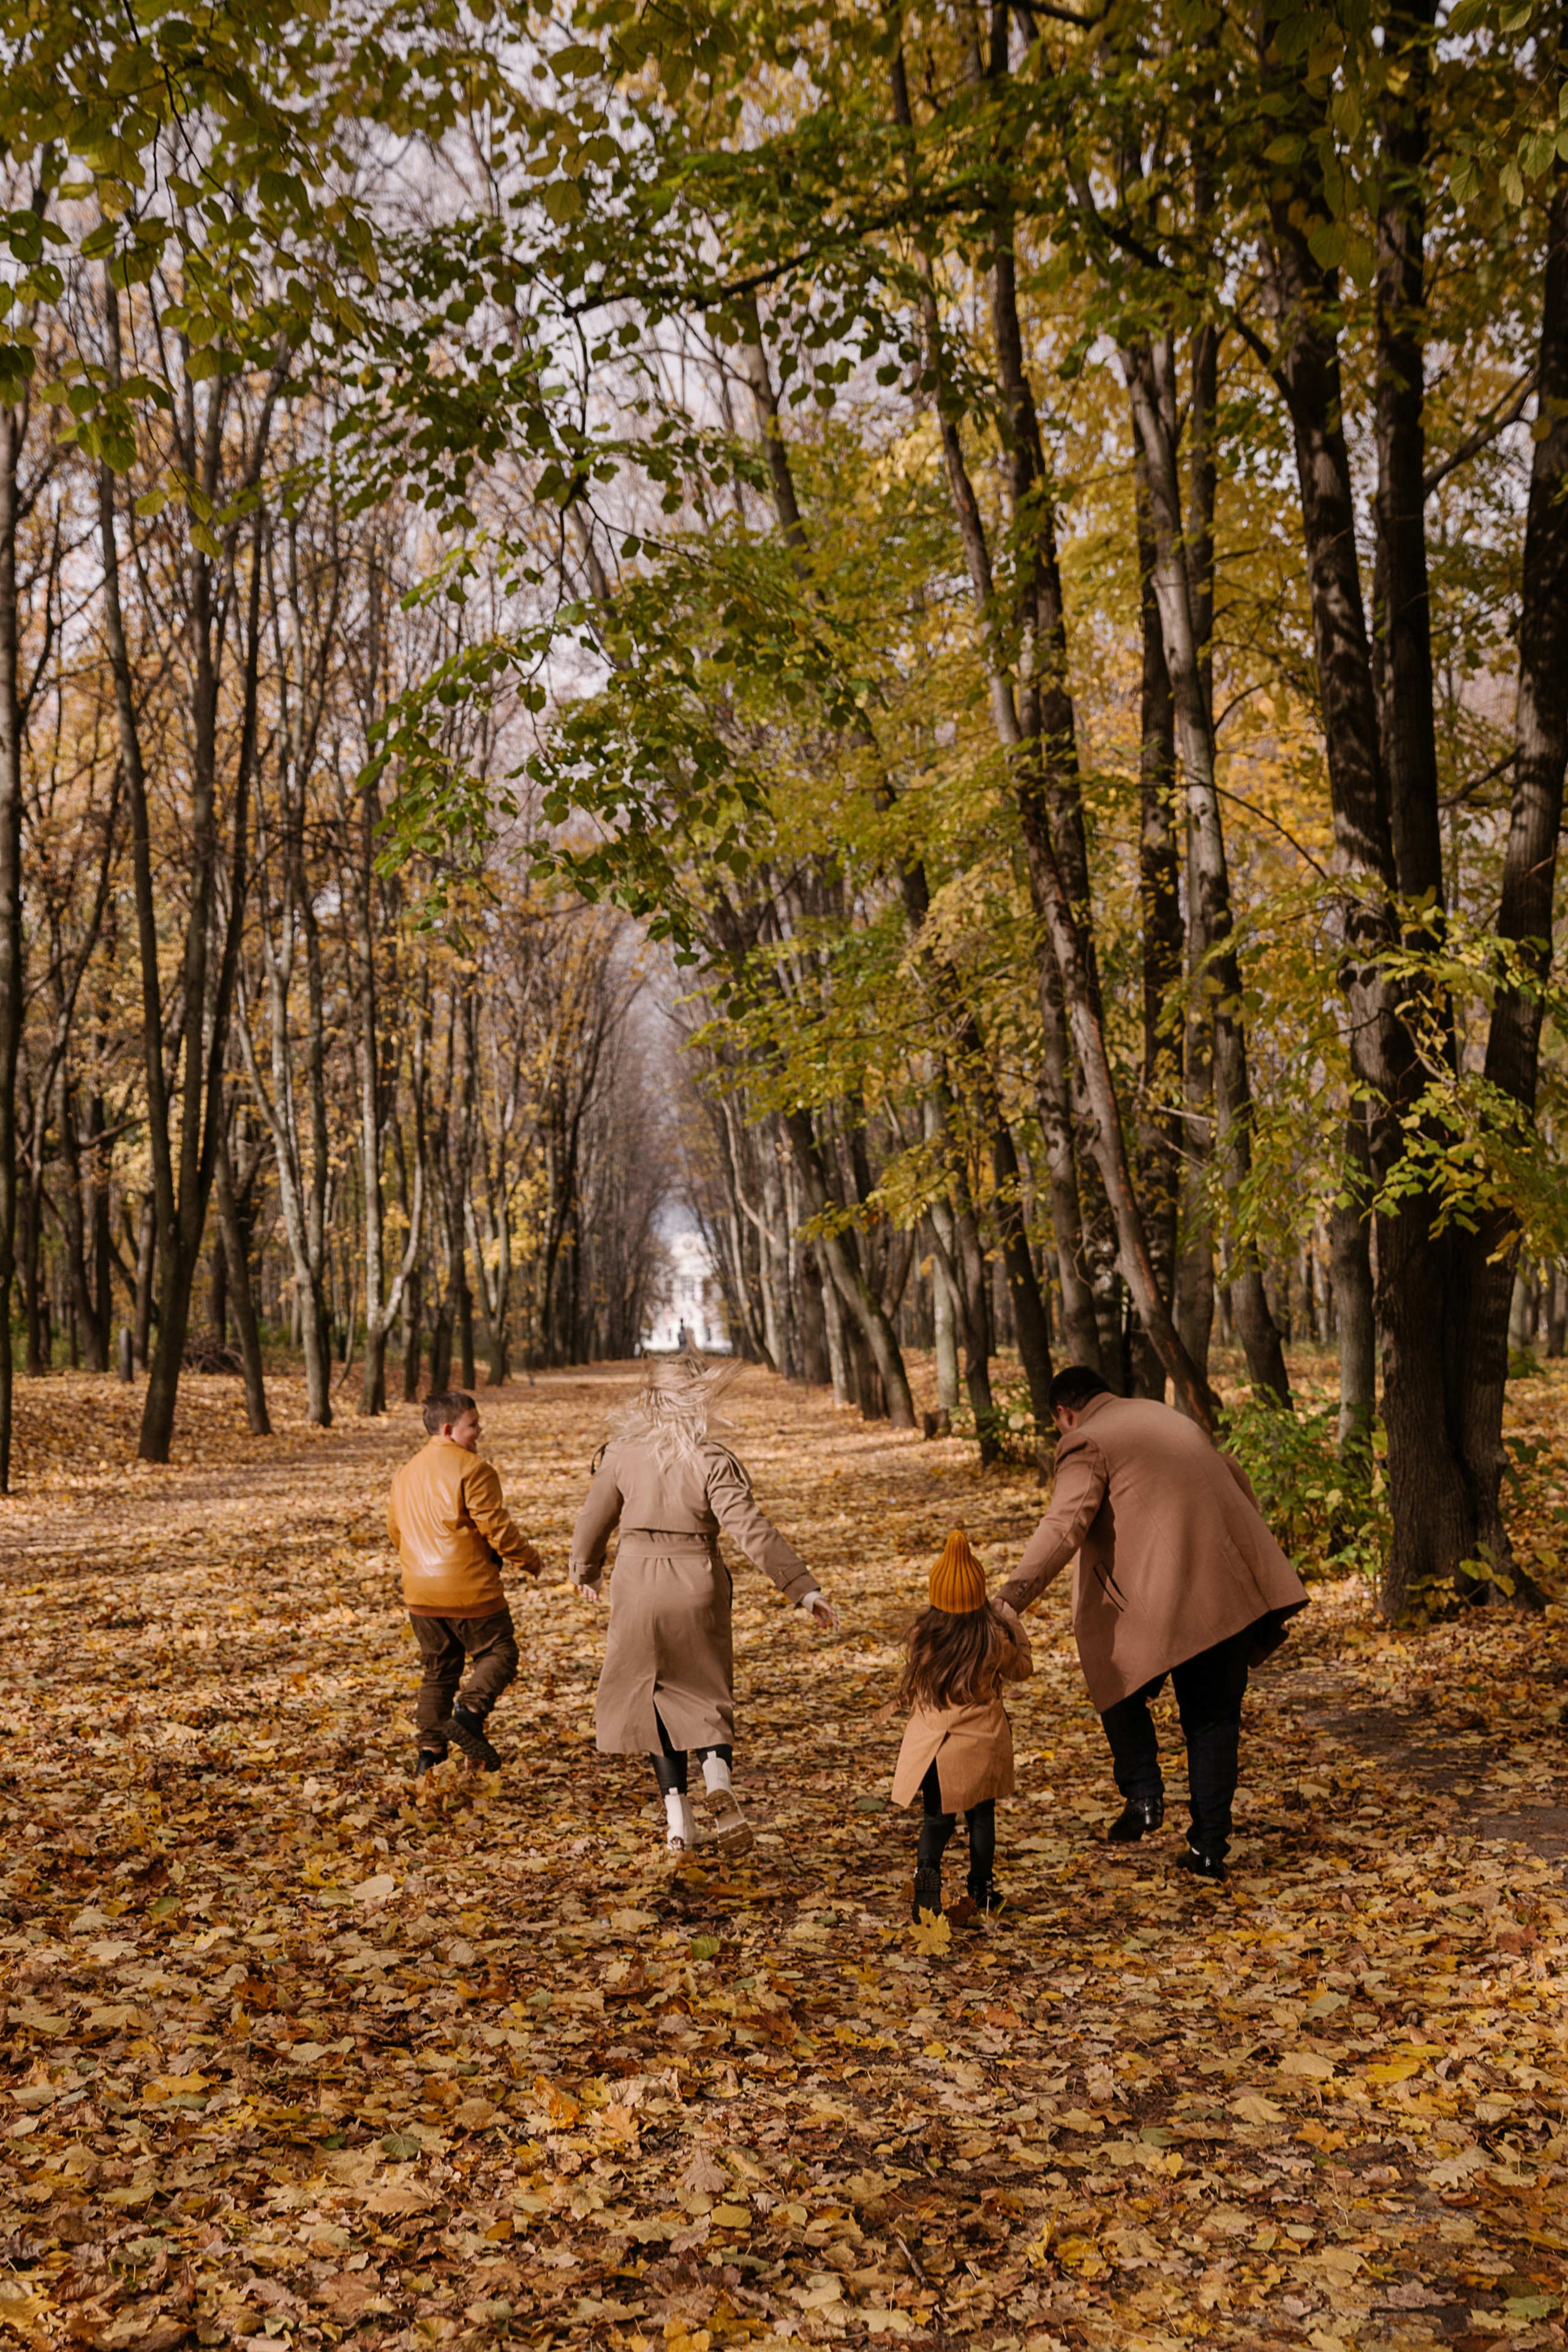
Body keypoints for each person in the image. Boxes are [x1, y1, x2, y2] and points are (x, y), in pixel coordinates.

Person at [996, 1365, 1308, 1880]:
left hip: (1163, 1599)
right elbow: (1234, 1475)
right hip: (1228, 1590)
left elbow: (1065, 1524)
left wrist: (1012, 1597)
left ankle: (1143, 1794)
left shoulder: (1084, 1441)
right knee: (1214, 1723)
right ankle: (1208, 1849)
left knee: (1109, 1662)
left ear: (1063, 1413)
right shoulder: (1164, 1415)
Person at [569, 1352, 837, 1860]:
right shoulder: (711, 1459)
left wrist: (585, 1571)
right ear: (697, 1399)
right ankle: (718, 1776)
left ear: (649, 1400)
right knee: (704, 1690)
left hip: (636, 1586)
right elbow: (752, 1530)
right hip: (697, 1582)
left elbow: (591, 1522)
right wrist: (802, 1589)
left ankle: (678, 1823)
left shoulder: (621, 1455)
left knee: (652, 1696)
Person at [387, 1389, 544, 1776]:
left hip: (420, 1593)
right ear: (448, 1429)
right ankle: (470, 1712)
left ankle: (430, 1755)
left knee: (438, 1671)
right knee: (501, 1653)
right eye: (473, 1425)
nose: (479, 1432)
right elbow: (497, 1529)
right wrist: (529, 1559)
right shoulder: (474, 1470)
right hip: (469, 1590)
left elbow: (396, 1532)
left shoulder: (404, 1474)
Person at [893, 1528, 1032, 1924]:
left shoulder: (925, 1636)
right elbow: (1023, 1669)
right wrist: (1013, 1623)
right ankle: (981, 1891)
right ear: (979, 1598)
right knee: (981, 1818)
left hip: (935, 1749)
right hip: (980, 1744)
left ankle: (926, 1888)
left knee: (936, 1821)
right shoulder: (992, 1637)